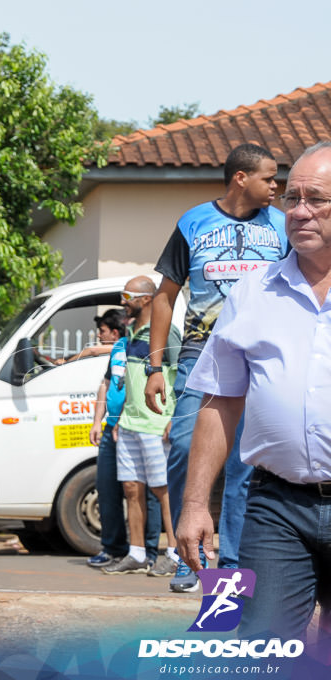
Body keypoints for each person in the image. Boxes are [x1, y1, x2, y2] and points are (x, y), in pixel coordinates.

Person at [176, 142, 331, 656]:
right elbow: (220, 402)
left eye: (317, 199)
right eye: (292, 198)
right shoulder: (251, 292)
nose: (300, 211)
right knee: (259, 653)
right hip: (277, 508)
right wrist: (196, 504)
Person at [145, 143, 287, 593]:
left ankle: (228, 568)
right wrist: (154, 366)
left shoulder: (282, 226)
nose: (276, 186)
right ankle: (185, 551)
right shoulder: (193, 222)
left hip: (260, 359)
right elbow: (164, 295)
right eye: (269, 177)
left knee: (245, 465)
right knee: (185, 446)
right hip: (199, 353)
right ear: (241, 178)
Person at [102, 276, 181, 576]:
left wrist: (174, 418)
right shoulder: (131, 334)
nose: (123, 302)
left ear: (147, 299)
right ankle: (136, 553)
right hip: (130, 423)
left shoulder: (165, 333)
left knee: (164, 490)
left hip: (155, 422)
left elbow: (180, 374)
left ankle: (174, 553)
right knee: (132, 488)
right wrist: (118, 418)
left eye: (127, 296)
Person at [86, 308, 163, 571]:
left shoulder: (149, 345)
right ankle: (114, 549)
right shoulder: (120, 347)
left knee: (150, 491)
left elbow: (138, 387)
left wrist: (121, 420)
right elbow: (106, 384)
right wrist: (98, 421)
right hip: (112, 427)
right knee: (108, 487)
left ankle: (150, 552)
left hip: (138, 424)